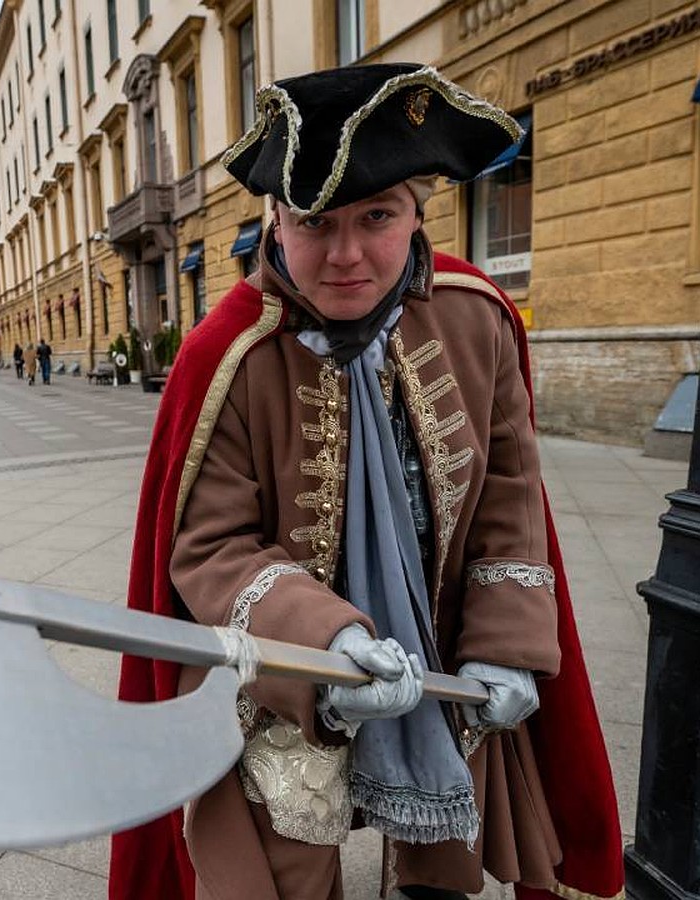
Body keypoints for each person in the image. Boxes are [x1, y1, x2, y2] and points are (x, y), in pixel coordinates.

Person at [109, 64, 623, 900]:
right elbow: (210, 548)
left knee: (439, 871)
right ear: (274, 223)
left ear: (420, 211)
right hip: (282, 678)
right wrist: (327, 644)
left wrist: (507, 645)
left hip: (443, 650)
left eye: (377, 217)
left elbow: (508, 499)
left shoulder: (476, 315)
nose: (346, 255)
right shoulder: (224, 355)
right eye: (315, 222)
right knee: (288, 868)